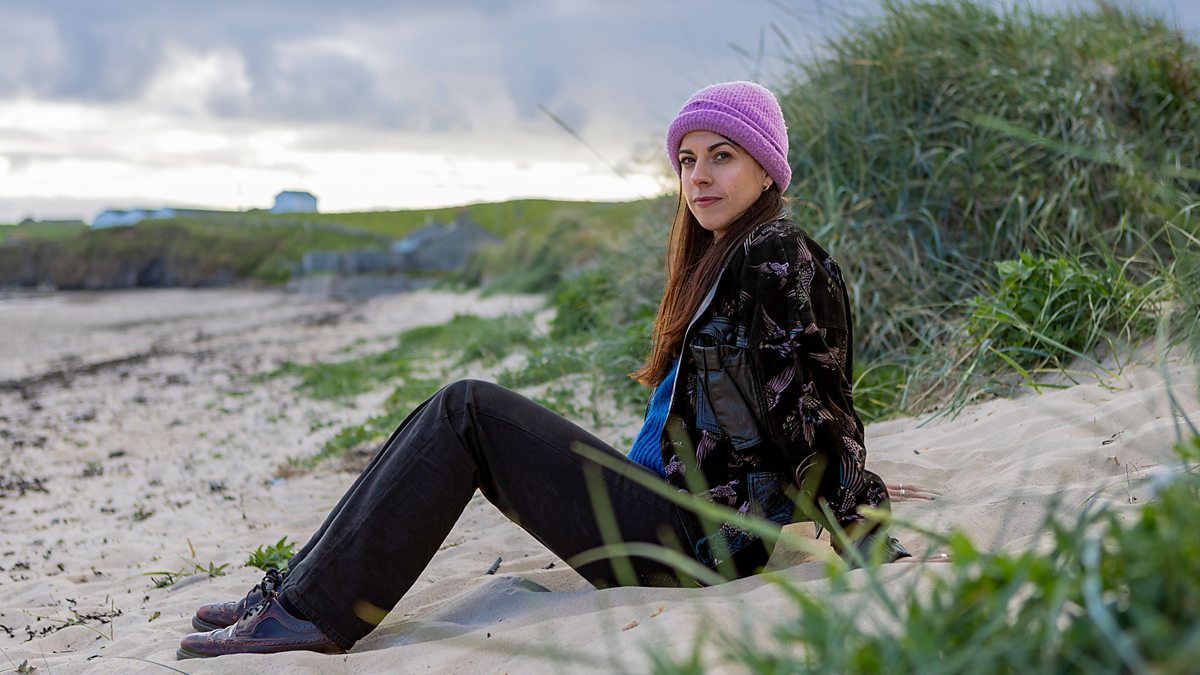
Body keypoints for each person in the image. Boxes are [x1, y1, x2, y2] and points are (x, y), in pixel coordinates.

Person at [176, 81, 915, 660]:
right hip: (670, 518)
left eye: (722, 156)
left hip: (694, 542)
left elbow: (811, 409)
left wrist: (866, 528)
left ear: (765, 167)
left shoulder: (777, 255)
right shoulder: (723, 260)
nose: (699, 176)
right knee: (445, 411)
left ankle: (309, 611)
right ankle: (293, 592)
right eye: (688, 160)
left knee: (467, 409)